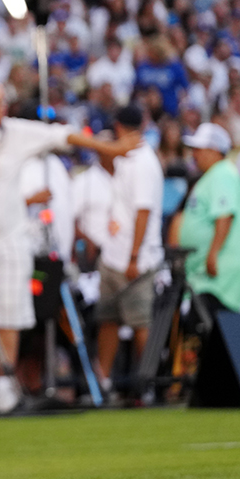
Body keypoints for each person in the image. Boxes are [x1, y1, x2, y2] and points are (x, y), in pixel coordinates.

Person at [0, 78, 141, 417]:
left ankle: (4, 385)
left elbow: (62, 135)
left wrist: (109, 149)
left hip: (9, 238)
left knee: (8, 314)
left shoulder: (16, 132)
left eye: (4, 103)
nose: (3, 110)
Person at [94, 107, 164, 395]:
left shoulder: (144, 162)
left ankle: (146, 384)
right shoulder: (127, 157)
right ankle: (103, 382)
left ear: (118, 127)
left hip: (136, 259)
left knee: (140, 322)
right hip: (114, 255)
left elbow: (143, 212)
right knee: (108, 319)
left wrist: (134, 256)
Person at [173, 123, 240, 315]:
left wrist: (213, 254)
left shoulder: (222, 173)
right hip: (206, 273)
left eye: (199, 149)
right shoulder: (215, 175)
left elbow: (225, 215)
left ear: (214, 150)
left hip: (216, 273)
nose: (194, 154)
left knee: (202, 334)